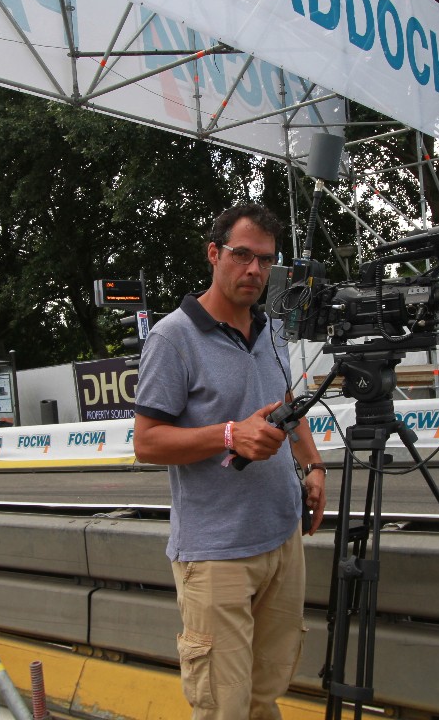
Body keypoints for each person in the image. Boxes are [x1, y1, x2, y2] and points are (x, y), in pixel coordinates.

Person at [134, 203, 327, 720]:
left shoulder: (273, 329)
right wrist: (228, 434)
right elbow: (146, 443)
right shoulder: (172, 337)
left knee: (266, 694)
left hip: (282, 538)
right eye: (242, 255)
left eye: (265, 260)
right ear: (214, 254)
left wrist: (313, 466)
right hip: (217, 553)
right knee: (224, 705)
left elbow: (287, 404)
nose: (254, 270)